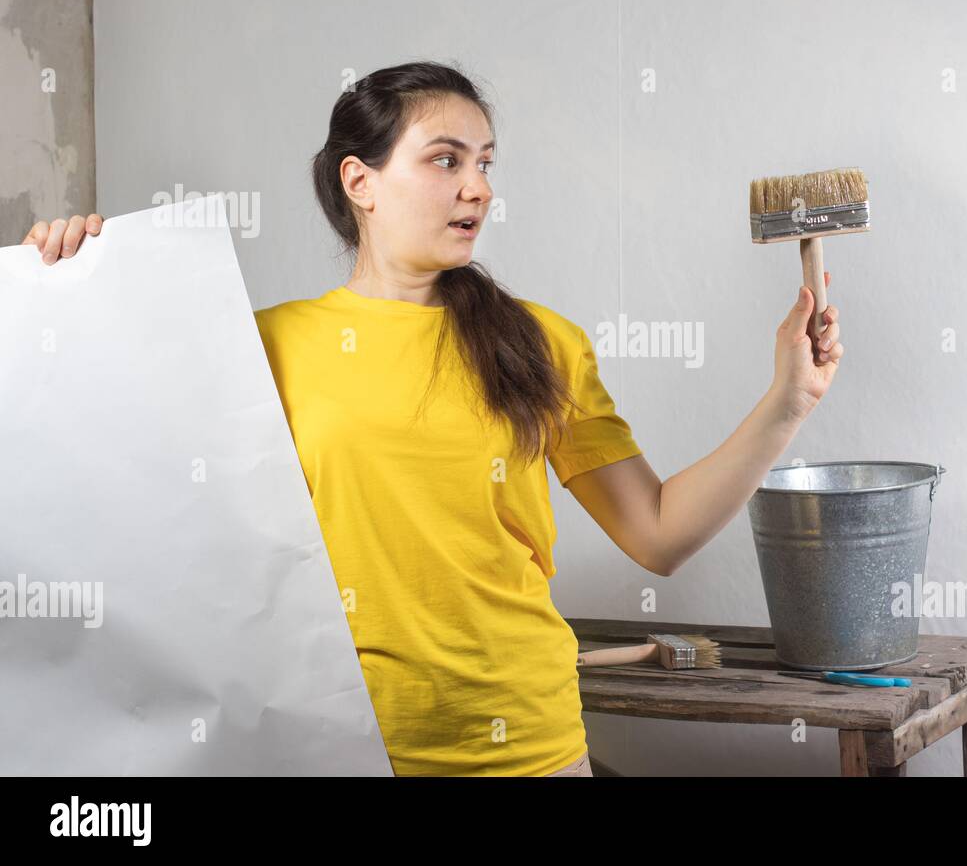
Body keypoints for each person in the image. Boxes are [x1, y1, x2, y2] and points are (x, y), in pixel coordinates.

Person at [21, 60, 845, 776]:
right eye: (445, 159)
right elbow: (120, 481)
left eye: (484, 162)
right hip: (330, 742)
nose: (478, 186)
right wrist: (69, 287)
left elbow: (659, 532)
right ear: (360, 182)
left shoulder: (542, 345)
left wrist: (786, 401)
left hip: (525, 745)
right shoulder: (264, 345)